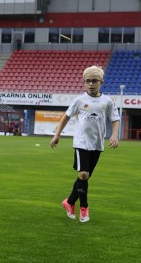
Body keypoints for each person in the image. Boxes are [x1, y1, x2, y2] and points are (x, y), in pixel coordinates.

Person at [50, 65, 119, 223]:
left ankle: (69, 202)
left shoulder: (107, 101)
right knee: (83, 175)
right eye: (87, 81)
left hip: (97, 144)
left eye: (94, 81)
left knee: (84, 179)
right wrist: (57, 135)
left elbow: (115, 118)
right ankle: (84, 208)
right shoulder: (79, 100)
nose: (91, 84)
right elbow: (66, 116)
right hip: (81, 142)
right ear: (84, 82)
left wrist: (114, 134)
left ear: (101, 82)